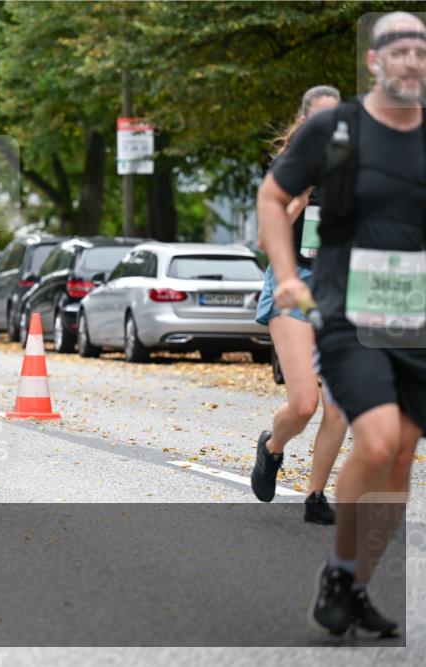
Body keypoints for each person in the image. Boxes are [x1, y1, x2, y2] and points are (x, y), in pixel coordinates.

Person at [257, 12, 425, 638]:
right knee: (377, 439)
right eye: (398, 50)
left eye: (422, 51)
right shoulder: (338, 129)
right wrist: (287, 274)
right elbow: (273, 198)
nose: (411, 61)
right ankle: (338, 573)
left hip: (414, 317)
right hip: (345, 307)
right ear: (376, 62)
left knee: (403, 456)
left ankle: (352, 582)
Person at [253, 86, 347, 524]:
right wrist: (300, 197)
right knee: (305, 403)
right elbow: (262, 239)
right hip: (292, 282)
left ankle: (315, 495)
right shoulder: (286, 168)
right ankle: (272, 447)